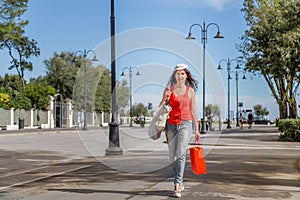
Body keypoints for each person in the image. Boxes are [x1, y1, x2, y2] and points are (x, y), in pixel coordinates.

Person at [159, 63, 201, 198]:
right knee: (172, 157)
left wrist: (197, 129)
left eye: (183, 73)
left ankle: (177, 184)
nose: (180, 75)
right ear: (175, 75)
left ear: (186, 75)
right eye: (178, 73)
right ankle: (179, 179)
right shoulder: (169, 90)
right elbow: (161, 107)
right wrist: (166, 98)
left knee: (181, 153)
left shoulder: (190, 91)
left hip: (186, 124)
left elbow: (193, 111)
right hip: (171, 125)